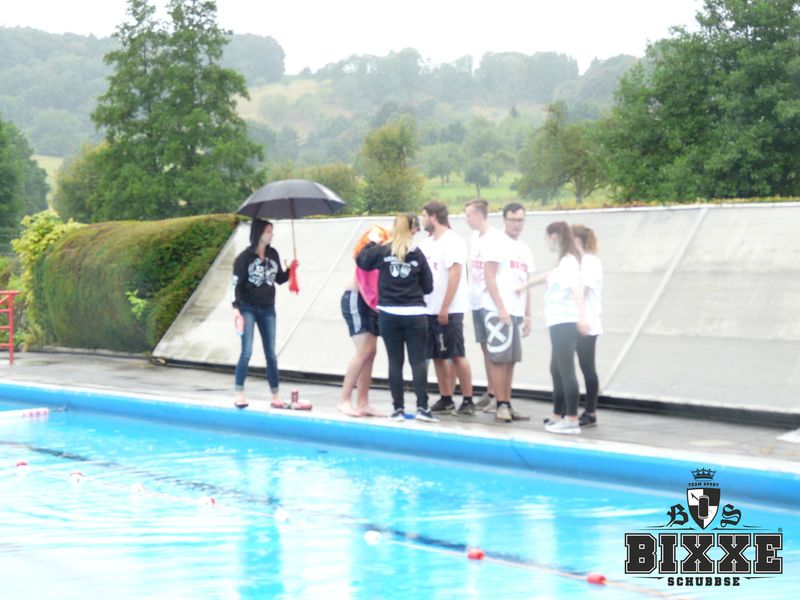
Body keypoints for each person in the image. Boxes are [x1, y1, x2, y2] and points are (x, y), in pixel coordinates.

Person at [356, 213, 436, 422]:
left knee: (395, 362)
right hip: (414, 314)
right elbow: (428, 286)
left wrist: (371, 242)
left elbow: (362, 260)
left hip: (389, 314)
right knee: (418, 362)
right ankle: (422, 408)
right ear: (413, 230)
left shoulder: (383, 251)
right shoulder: (417, 254)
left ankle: (398, 409)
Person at [523, 221, 589, 434]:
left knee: (566, 370)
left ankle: (571, 419)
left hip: (565, 322)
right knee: (556, 369)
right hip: (558, 322)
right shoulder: (562, 263)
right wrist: (523, 286)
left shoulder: (569, 262)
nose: (546, 242)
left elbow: (576, 290)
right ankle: (557, 414)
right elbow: (547, 276)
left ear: (553, 237)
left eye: (546, 238)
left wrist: (582, 318)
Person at [231, 219, 305, 409]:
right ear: (258, 233)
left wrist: (290, 269)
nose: (271, 235)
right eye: (268, 231)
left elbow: (279, 279)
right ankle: (239, 393)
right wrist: (236, 308)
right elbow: (236, 285)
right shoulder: (244, 258)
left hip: (267, 308)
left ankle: (275, 394)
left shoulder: (273, 254)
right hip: (247, 307)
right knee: (247, 350)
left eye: (271, 231)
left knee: (271, 353)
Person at [419, 201, 474, 416]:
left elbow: (455, 274)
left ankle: (468, 399)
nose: (422, 219)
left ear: (434, 216)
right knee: (437, 355)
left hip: (449, 309)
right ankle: (446, 397)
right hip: (430, 308)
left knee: (456, 354)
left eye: (424, 215)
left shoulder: (453, 241)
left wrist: (445, 306)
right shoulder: (426, 244)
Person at [480, 203, 534, 423]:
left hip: (516, 310)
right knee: (499, 358)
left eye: (520, 220)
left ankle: (507, 402)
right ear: (504, 220)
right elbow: (489, 276)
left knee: (511, 359)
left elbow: (527, 283)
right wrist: (501, 307)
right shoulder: (496, 242)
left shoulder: (525, 248)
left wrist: (528, 314)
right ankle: (500, 403)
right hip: (497, 310)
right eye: (513, 220)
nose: (517, 224)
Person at [338, 225, 390, 417]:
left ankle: (363, 402)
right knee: (364, 351)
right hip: (356, 299)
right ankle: (344, 399)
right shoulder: (365, 256)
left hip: (368, 303)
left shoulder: (379, 257)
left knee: (371, 352)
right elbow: (366, 287)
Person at [572, 224, 603, 428]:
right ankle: (570, 409)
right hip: (575, 321)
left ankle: (590, 411)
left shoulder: (590, 262)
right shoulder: (577, 262)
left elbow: (583, 290)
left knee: (587, 367)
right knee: (569, 367)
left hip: (587, 322)